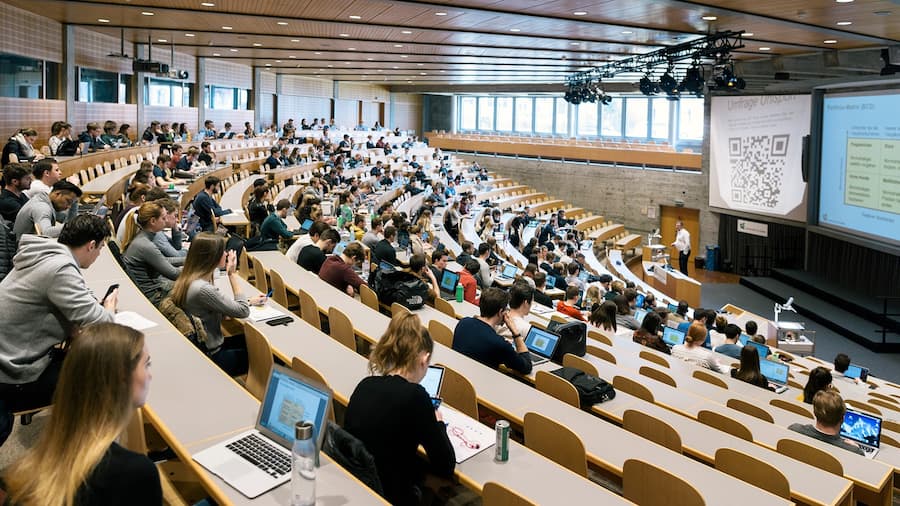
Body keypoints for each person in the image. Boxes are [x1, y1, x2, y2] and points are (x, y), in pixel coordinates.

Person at [1, 323, 161, 503]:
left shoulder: (29, 470)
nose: (150, 375)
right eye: (147, 364)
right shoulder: (135, 472)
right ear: (121, 379)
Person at [0, 215, 116, 413]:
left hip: (8, 358)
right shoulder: (60, 269)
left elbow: (79, 291)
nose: (99, 255)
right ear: (91, 245)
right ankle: (78, 441)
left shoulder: (47, 254)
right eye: (101, 248)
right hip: (15, 377)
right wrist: (110, 306)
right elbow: (103, 323)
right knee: (108, 370)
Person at [344, 312, 455, 505]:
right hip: (392, 494)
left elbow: (383, 450)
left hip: (359, 486)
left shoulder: (365, 384)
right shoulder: (415, 396)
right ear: (424, 359)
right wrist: (438, 423)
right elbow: (445, 464)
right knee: (446, 486)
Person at [170, 233, 265, 375]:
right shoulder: (203, 288)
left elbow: (218, 307)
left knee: (254, 342)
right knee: (267, 355)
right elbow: (243, 311)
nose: (226, 254)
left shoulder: (188, 278)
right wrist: (232, 274)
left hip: (204, 347)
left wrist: (249, 301)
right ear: (212, 256)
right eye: (223, 251)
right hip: (213, 356)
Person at [452, 287, 532, 374]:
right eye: (506, 309)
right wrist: (515, 333)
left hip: (456, 376)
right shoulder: (499, 344)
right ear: (500, 312)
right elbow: (526, 367)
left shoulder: (463, 322)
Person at [121, 201, 182, 304]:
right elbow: (174, 274)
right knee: (193, 288)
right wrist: (196, 267)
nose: (166, 220)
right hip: (153, 296)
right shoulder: (145, 245)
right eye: (163, 218)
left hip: (152, 289)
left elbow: (163, 260)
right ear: (153, 221)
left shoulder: (143, 237)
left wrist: (188, 260)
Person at [788, 390, 865, 456]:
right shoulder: (854, 452)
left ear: (815, 413)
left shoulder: (794, 429)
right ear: (842, 419)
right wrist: (856, 448)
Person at [13, 180, 81, 240]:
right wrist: (77, 225)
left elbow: (66, 221)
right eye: (68, 201)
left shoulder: (47, 201)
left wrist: (75, 202)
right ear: (57, 194)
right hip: (25, 251)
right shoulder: (42, 207)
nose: (69, 206)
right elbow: (46, 233)